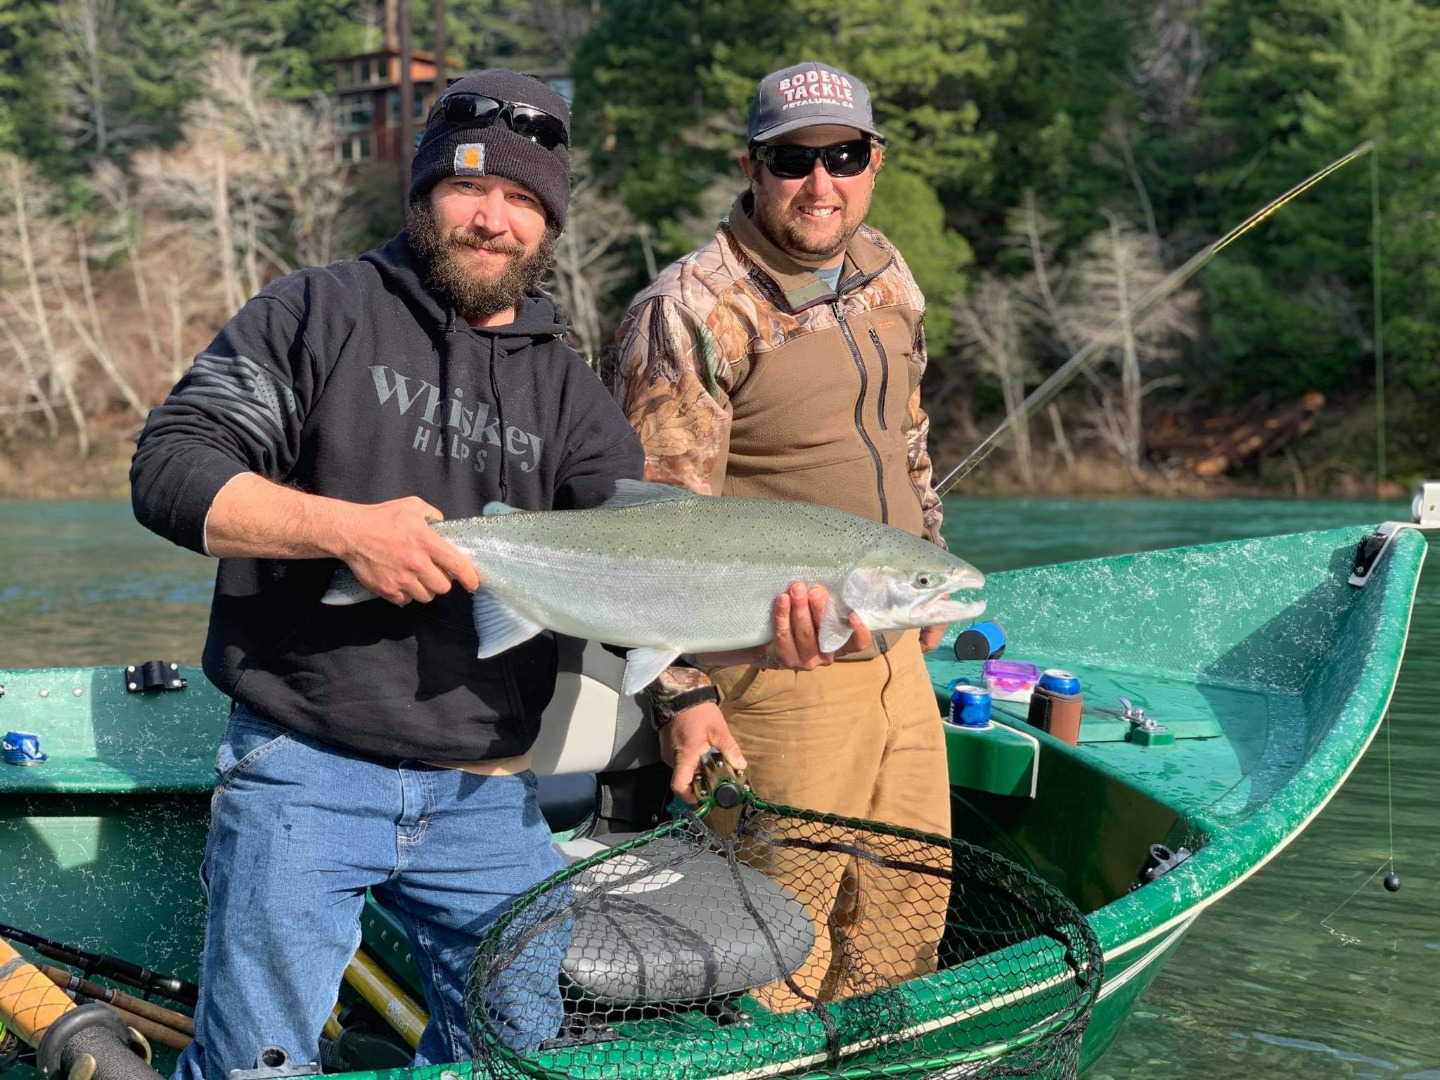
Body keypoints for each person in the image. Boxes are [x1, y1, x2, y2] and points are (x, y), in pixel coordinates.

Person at [133, 67, 863, 1076]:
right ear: (424, 193)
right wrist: (344, 531)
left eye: (524, 200)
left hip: (485, 791)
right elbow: (171, 470)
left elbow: (639, 571)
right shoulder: (316, 312)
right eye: (470, 188)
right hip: (304, 764)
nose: (494, 218)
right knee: (258, 1064)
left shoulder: (564, 386)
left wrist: (723, 663)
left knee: (515, 1052)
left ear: (549, 225)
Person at [613, 61, 953, 1010]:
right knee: (780, 939)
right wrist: (682, 694)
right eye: (792, 159)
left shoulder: (888, 271)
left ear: (873, 160)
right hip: (775, 673)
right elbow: (648, 542)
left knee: (907, 910)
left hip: (896, 660)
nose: (821, 182)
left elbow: (910, 436)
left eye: (843, 155)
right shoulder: (688, 311)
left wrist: (926, 566)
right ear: (753, 166)